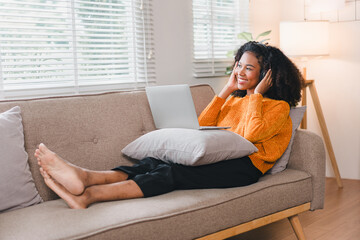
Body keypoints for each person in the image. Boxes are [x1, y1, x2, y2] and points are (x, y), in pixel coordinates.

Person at [35, 41, 304, 209]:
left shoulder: (277, 107)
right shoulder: (234, 101)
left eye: (248, 68)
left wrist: (255, 96)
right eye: (238, 66)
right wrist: (224, 92)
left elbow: (250, 135)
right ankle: (85, 177)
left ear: (268, 74)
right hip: (221, 156)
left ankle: (90, 197)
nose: (239, 72)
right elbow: (202, 126)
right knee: (153, 163)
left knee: (174, 174)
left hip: (245, 168)